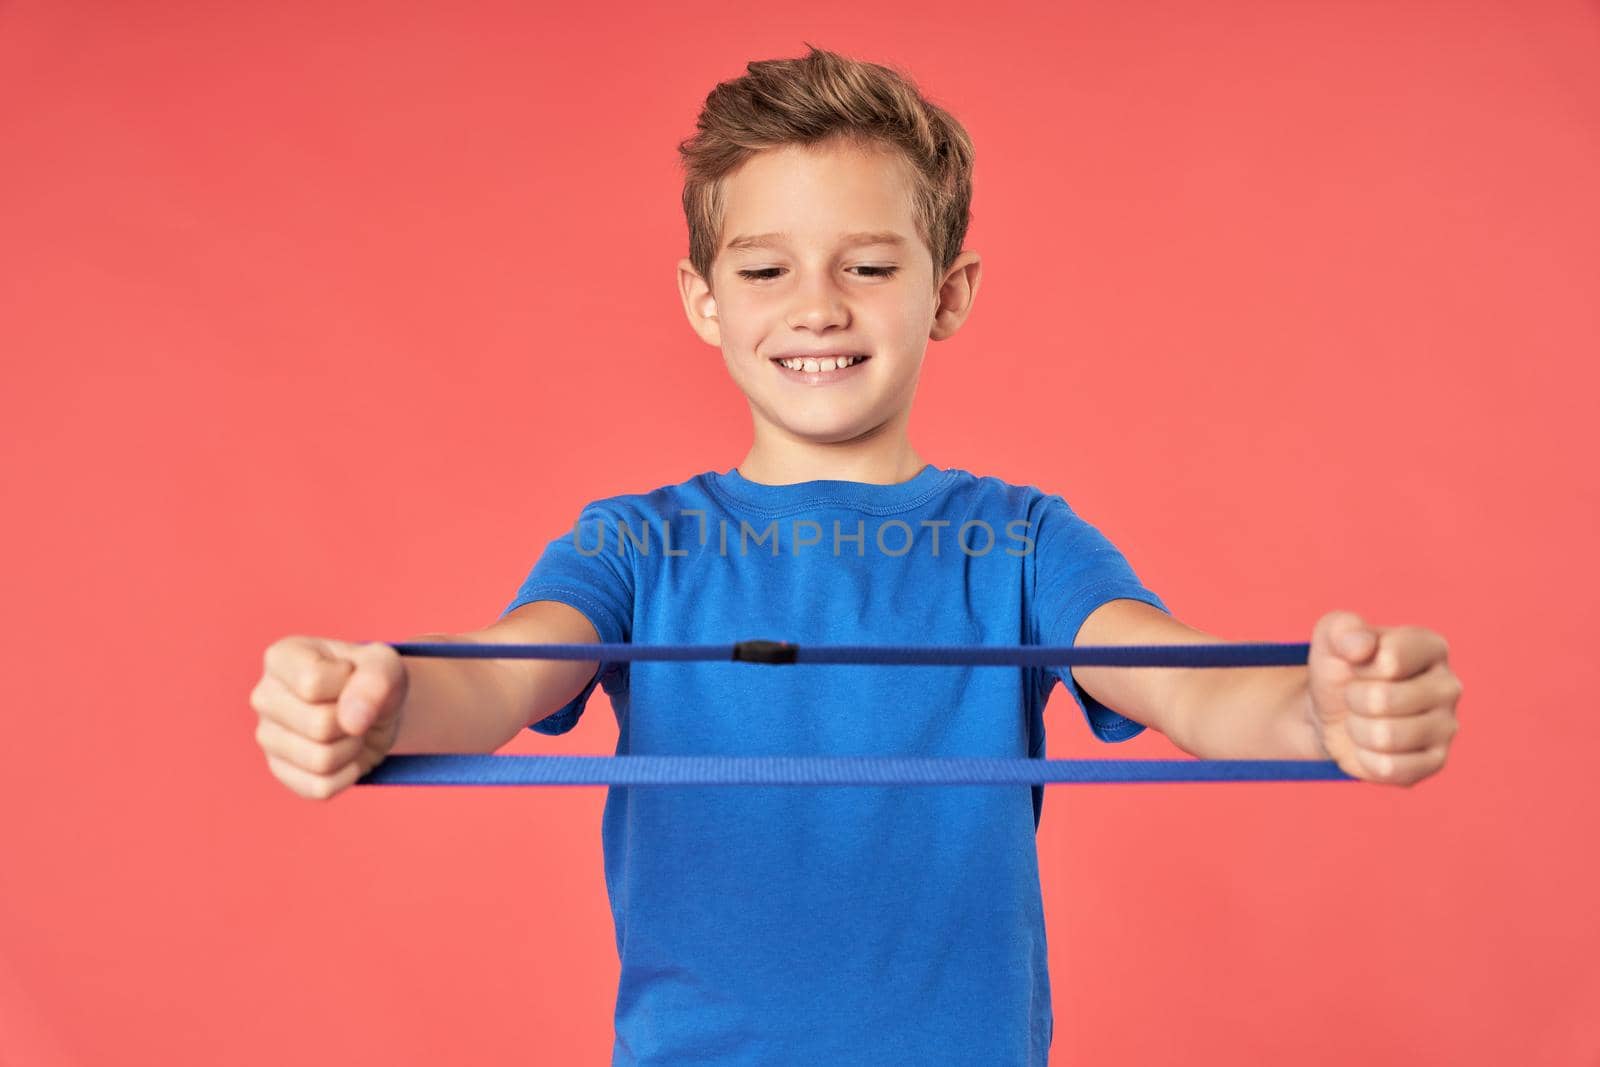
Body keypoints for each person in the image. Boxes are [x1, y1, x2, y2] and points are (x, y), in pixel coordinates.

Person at [249, 43, 1462, 1067]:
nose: (817, 305)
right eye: (766, 268)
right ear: (701, 299)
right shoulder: (635, 541)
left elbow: (1188, 681)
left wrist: (1319, 708)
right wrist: (385, 699)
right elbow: (504, 674)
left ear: (949, 291)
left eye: (869, 266)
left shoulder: (1022, 539)